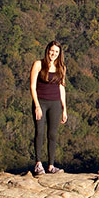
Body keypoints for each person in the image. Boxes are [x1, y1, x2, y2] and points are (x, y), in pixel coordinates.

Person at [29, 41, 67, 175]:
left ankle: (51, 166)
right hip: (41, 102)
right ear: (47, 50)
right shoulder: (38, 64)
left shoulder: (61, 67)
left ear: (59, 53)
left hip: (55, 103)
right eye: (52, 51)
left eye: (56, 52)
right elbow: (32, 86)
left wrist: (64, 109)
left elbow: (61, 88)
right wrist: (37, 105)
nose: (54, 54)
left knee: (53, 134)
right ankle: (38, 164)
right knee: (39, 132)